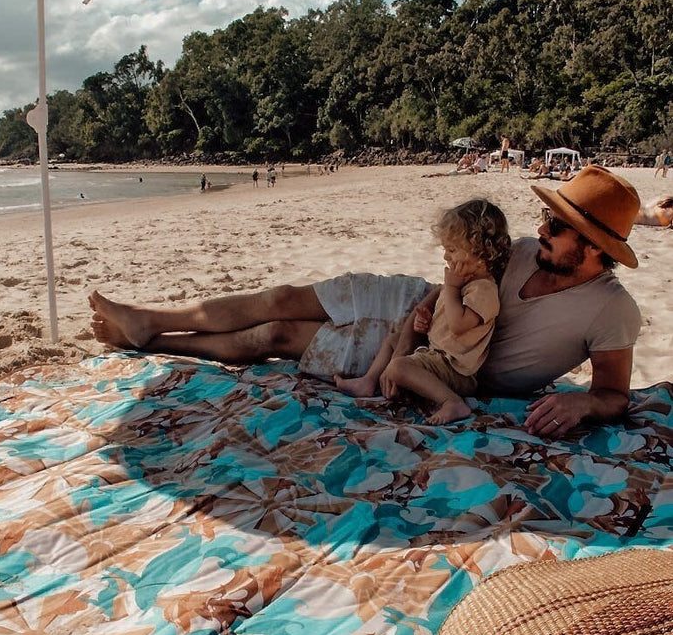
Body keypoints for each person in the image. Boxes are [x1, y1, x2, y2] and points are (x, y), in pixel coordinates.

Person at [89, 166, 642, 438]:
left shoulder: (611, 310)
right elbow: (458, 279)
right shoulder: (524, 251)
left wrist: (585, 404)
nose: (541, 227)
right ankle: (149, 319)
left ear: (593, 248)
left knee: (278, 335)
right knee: (282, 296)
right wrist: (424, 303)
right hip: (418, 308)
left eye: (557, 225)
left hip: (445, 364)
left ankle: (158, 341)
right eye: (547, 217)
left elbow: (614, 394)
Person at [333, 200, 510, 424]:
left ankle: (452, 402)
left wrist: (452, 288)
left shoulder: (484, 290)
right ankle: (368, 381)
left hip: (456, 370)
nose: (446, 257)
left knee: (398, 367)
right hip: (438, 355)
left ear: (482, 251)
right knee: (392, 340)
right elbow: (449, 323)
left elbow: (459, 325)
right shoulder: (466, 284)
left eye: (452, 250)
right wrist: (428, 324)